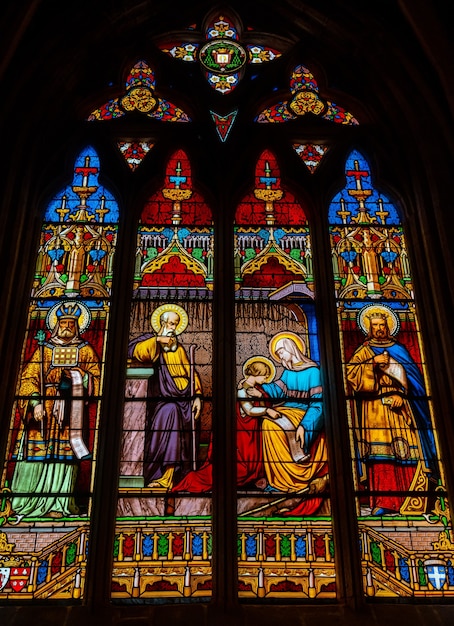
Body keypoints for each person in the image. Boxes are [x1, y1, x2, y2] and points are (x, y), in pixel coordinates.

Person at [346, 305, 438, 516]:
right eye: (375, 326)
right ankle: (384, 502)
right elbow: (351, 376)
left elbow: (417, 383)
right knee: (380, 455)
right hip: (374, 409)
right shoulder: (364, 351)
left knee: (407, 452)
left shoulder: (400, 350)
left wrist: (403, 396)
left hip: (401, 408)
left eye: (382, 325)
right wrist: (371, 364)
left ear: (389, 326)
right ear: (368, 328)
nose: (379, 329)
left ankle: (412, 501)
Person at [11, 302, 100, 519]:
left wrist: (80, 377)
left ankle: (59, 504)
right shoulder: (45, 349)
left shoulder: (85, 350)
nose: (67, 327)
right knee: (35, 455)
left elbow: (98, 379)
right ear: (56, 325)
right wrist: (35, 402)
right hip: (45, 410)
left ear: (78, 326)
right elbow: (28, 379)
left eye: (72, 323)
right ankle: (27, 503)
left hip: (71, 411)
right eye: (64, 323)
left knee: (64, 457)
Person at [247, 332, 328, 515]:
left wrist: (305, 426)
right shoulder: (288, 372)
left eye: (281, 352)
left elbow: (318, 403)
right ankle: (278, 481)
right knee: (267, 423)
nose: (280, 356)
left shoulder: (313, 372)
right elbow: (277, 389)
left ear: (292, 349)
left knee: (274, 425)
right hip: (286, 410)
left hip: (304, 413)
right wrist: (261, 392)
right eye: (278, 353)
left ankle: (294, 476)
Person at [173, 357, 278, 492]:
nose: (266, 379)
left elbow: (263, 404)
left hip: (253, 434)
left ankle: (253, 480)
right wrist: (268, 410)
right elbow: (249, 410)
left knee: (253, 467)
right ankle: (192, 479)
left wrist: (261, 396)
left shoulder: (258, 389)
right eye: (264, 376)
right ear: (256, 374)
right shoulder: (242, 390)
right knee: (242, 469)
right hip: (243, 435)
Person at [128, 304, 202, 490]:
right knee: (170, 411)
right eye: (169, 323)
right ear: (160, 323)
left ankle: (173, 476)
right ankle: (164, 475)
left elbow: (191, 374)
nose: (172, 327)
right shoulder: (152, 343)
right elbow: (138, 353)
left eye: (175, 324)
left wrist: (198, 396)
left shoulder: (179, 349)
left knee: (177, 411)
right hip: (163, 402)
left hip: (184, 400)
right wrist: (158, 341)